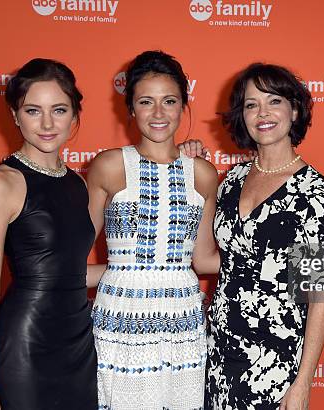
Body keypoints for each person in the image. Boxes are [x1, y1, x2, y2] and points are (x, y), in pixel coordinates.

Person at [184, 63, 324, 409]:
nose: (263, 113)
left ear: (295, 109)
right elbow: (207, 260)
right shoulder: (231, 180)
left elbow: (319, 294)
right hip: (220, 353)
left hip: (274, 362)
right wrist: (190, 174)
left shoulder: (318, 195)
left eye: (274, 101)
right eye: (251, 104)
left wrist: (303, 383)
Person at [87, 50, 219, 409]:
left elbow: (205, 259)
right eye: (146, 102)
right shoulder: (109, 166)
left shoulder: (204, 174)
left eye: (170, 101)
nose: (158, 113)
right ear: (130, 109)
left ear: (183, 106)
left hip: (183, 318)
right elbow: (73, 261)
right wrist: (121, 272)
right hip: (120, 317)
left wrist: (275, 264)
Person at [0, 58, 97, 409]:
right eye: (32, 110)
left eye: (58, 110)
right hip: (26, 344)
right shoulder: (1, 184)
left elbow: (70, 270)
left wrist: (160, 267)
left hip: (79, 344)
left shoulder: (78, 183)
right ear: (14, 115)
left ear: (74, 115)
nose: (46, 123)